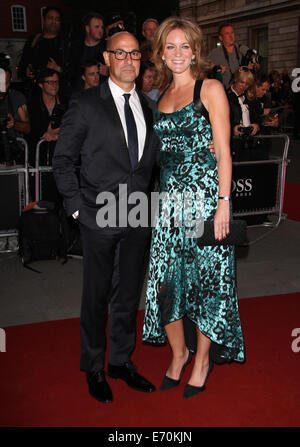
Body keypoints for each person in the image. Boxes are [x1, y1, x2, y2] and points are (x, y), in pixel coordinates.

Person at [52, 31, 159, 403]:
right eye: (120, 53)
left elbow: (152, 165)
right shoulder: (84, 104)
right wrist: (78, 208)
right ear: (107, 60)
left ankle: (120, 361)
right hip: (98, 217)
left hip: (138, 218)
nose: (129, 60)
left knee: (128, 296)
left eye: (134, 54)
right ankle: (94, 368)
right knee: (96, 297)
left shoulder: (148, 107)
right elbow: (63, 160)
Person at [142, 17, 245, 399]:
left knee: (207, 285)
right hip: (169, 207)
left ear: (196, 50)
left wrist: (223, 203)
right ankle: (179, 352)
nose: (178, 53)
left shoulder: (211, 88)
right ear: (161, 53)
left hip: (204, 203)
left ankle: (201, 361)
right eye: (171, 46)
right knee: (165, 284)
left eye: (185, 46)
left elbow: (223, 152)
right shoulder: (162, 94)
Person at [18, 7, 69, 98]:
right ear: (43, 19)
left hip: (59, 95)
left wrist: (58, 69)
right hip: (35, 94)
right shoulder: (33, 41)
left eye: (57, 19)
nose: (54, 22)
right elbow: (21, 66)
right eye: (50, 18)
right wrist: (26, 71)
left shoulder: (66, 43)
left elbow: (74, 71)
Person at [67, 12, 107, 92]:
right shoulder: (75, 47)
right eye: (97, 27)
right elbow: (71, 72)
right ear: (87, 29)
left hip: (101, 94)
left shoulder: (107, 47)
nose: (100, 30)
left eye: (102, 27)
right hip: (79, 93)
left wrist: (109, 72)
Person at [208, 23, 251, 89]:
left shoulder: (243, 50)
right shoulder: (215, 54)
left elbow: (256, 66)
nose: (231, 36)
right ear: (221, 38)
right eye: (227, 34)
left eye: (232, 33)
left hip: (243, 91)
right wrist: (216, 69)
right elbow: (204, 71)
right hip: (225, 92)